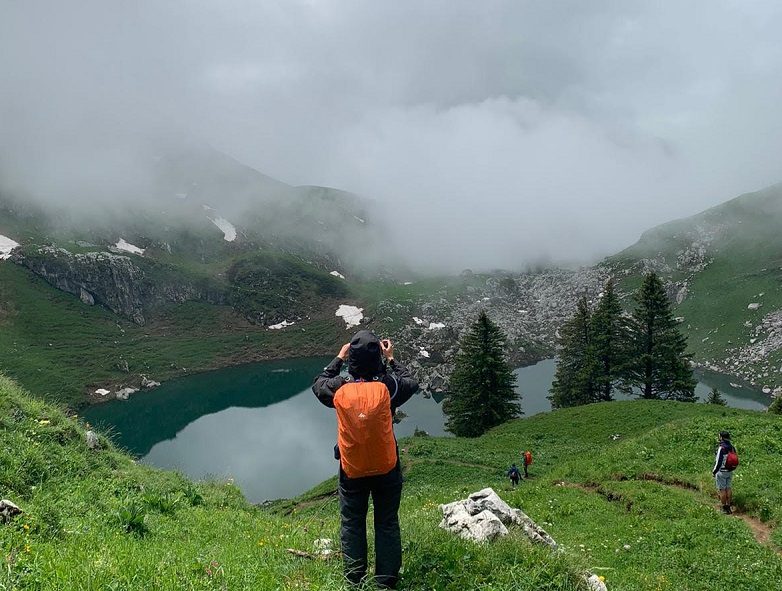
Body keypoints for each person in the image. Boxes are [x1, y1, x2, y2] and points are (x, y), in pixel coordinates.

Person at [312, 330, 418, 589]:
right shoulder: (388, 386)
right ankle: (386, 582)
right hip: (387, 467)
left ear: (353, 360)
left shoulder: (340, 387)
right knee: (387, 521)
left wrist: (339, 358)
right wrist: (391, 359)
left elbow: (319, 384)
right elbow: (411, 381)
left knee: (352, 522)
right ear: (378, 356)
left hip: (352, 468)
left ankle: (354, 580)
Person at [712, 431, 736, 514]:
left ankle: (724, 508)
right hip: (730, 471)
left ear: (721, 437)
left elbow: (718, 461)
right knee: (728, 488)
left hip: (721, 472)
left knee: (722, 490)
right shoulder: (732, 447)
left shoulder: (721, 448)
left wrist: (714, 472)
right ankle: (729, 506)